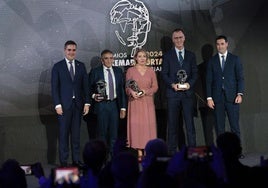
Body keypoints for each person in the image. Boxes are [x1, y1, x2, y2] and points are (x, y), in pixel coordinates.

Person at [51, 40, 90, 167]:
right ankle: (63, 162)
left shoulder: (81, 66)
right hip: (63, 107)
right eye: (69, 50)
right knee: (63, 136)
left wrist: (87, 103)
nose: (71, 52)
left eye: (73, 50)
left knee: (76, 136)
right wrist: (57, 105)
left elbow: (86, 87)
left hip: (78, 106)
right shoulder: (58, 66)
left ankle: (76, 160)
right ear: (64, 50)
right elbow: (54, 88)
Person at [161, 28, 198, 155]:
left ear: (184, 38)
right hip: (173, 95)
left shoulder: (191, 55)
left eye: (180, 37)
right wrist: (172, 84)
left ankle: (192, 151)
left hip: (187, 95)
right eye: (176, 38)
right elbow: (164, 74)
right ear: (173, 40)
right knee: (172, 125)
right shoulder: (167, 56)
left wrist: (189, 84)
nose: (178, 40)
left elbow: (195, 73)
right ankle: (171, 152)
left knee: (190, 125)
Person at [88, 49, 126, 156]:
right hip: (101, 105)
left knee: (114, 134)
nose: (109, 61)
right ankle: (103, 158)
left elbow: (122, 90)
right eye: (106, 58)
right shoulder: (95, 72)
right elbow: (88, 88)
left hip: (114, 105)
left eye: (111, 58)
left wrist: (123, 108)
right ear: (102, 60)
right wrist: (94, 95)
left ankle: (113, 159)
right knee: (102, 134)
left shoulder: (118, 71)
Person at [206, 35, 245, 138]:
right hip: (217, 99)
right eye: (218, 44)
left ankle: (237, 152)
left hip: (232, 98)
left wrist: (240, 94)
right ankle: (222, 152)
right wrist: (209, 98)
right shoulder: (212, 61)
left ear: (227, 44)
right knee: (219, 128)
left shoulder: (235, 59)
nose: (220, 46)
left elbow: (240, 78)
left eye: (222, 44)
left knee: (235, 127)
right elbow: (209, 81)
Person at [125, 48, 158, 158]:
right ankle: (139, 155)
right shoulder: (130, 71)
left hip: (147, 102)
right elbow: (127, 87)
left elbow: (155, 87)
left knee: (148, 128)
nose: (142, 58)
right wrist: (131, 92)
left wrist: (145, 91)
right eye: (140, 56)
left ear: (147, 58)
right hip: (135, 103)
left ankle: (148, 154)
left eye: (144, 56)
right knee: (138, 129)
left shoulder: (151, 71)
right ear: (135, 58)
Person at [195, 44, 215, 146]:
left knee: (216, 129)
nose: (205, 54)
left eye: (206, 52)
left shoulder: (217, 66)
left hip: (213, 103)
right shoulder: (199, 68)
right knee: (208, 131)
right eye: (204, 52)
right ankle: (211, 151)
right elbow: (197, 88)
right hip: (205, 104)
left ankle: (214, 151)